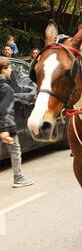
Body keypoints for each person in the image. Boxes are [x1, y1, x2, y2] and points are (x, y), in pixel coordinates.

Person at [0, 57, 34, 187]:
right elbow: (5, 110)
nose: (10, 70)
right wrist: (4, 130)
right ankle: (18, 178)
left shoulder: (4, 87)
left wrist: (30, 96)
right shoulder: (5, 87)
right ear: (3, 70)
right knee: (15, 151)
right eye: (8, 68)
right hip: (7, 127)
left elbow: (13, 96)